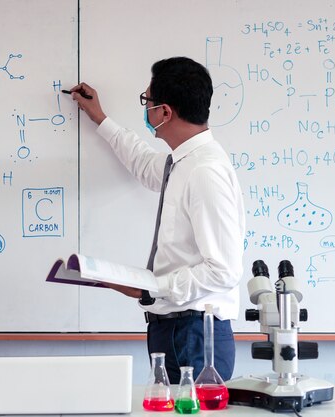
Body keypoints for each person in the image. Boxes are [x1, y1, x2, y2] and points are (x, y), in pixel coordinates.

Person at [69, 57, 245, 384]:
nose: (145, 108)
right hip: (176, 329)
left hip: (194, 335)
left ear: (165, 112)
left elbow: (224, 269)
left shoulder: (205, 172)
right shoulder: (181, 164)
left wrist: (152, 289)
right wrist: (100, 118)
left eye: (146, 100)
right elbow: (143, 163)